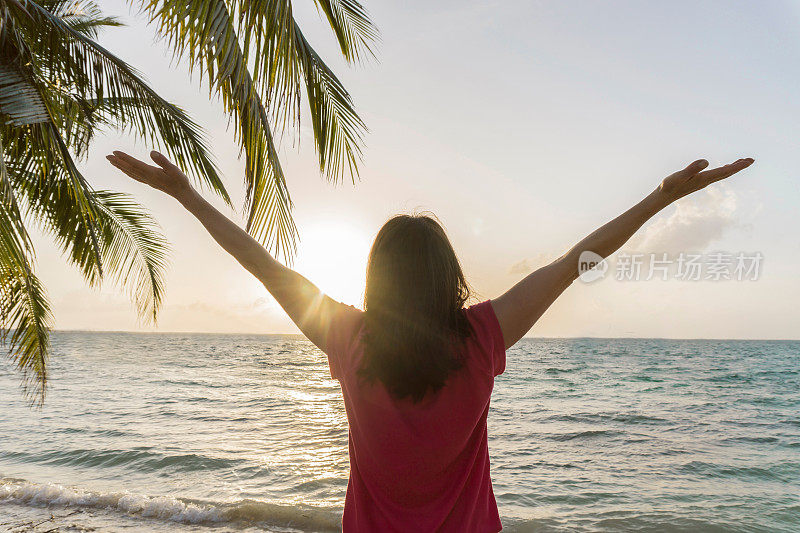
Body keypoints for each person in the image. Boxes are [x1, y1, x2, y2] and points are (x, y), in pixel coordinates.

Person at [107, 151, 754, 532]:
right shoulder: (481, 337)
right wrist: (659, 199)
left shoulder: (348, 336)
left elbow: (261, 263)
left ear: (376, 281)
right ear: (450, 276)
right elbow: (573, 262)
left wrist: (187, 194)